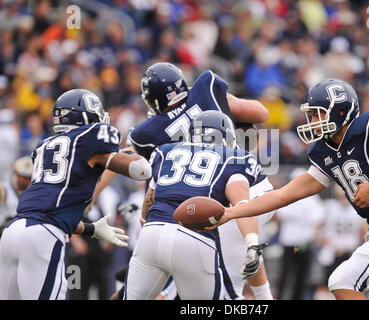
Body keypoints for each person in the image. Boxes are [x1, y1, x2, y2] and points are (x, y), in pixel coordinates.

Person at [210, 78, 369, 300]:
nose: (313, 121)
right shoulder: (325, 153)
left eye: (319, 114)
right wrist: (230, 212)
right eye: (312, 115)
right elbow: (281, 195)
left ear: (340, 111)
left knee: (342, 281)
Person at [93, 61, 273, 300]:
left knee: (224, 288)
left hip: (205, 206)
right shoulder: (205, 88)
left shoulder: (149, 135)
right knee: (238, 259)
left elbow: (122, 162)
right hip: (254, 189)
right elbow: (261, 113)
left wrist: (91, 195)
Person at [0, 89, 152, 300]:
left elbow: (50, 207)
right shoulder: (90, 137)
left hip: (12, 233)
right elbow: (141, 171)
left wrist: (90, 229)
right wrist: (134, 153)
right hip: (43, 236)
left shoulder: (44, 146)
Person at [125, 111, 265, 300]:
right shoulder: (236, 158)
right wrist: (252, 244)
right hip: (195, 240)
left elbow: (150, 198)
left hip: (152, 233)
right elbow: (241, 204)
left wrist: (144, 226)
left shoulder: (164, 151)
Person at [275, 167, 325, 300]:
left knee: (295, 273)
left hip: (299, 242)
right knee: (291, 273)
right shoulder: (309, 199)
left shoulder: (306, 198)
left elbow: (318, 217)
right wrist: (303, 217)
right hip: (294, 242)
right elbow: (316, 218)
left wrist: (296, 217)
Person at [0, 156, 33, 238]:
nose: (23, 181)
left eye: (27, 178)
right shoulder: (3, 190)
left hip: (21, 236)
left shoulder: (33, 195)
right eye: (21, 177)